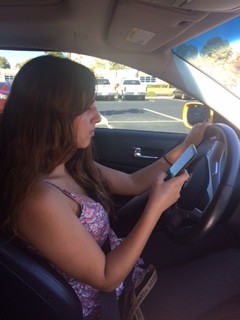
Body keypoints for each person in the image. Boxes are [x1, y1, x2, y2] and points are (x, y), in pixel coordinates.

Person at [1, 55, 240, 320]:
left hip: (126, 269)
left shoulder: (70, 164)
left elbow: (133, 183)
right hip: (115, 304)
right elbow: (105, 278)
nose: (98, 116)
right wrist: (156, 206)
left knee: (222, 237)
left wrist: (186, 145)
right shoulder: (38, 199)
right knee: (235, 266)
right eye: (86, 108)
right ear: (50, 117)